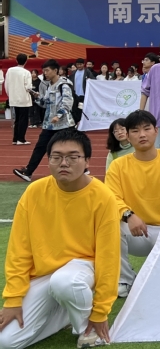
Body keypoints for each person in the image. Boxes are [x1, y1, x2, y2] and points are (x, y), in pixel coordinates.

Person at [0, 129, 120, 349]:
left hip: (82, 270)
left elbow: (109, 257)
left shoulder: (103, 197)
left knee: (65, 282)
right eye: (56, 157)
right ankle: (64, 316)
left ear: (87, 161)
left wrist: (100, 311)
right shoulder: (34, 192)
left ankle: (87, 329)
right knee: (6, 342)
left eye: (73, 157)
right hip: (44, 275)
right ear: (49, 160)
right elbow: (19, 250)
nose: (64, 163)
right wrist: (13, 299)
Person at [105, 110, 160, 298]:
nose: (142, 135)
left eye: (147, 129)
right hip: (136, 231)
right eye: (135, 131)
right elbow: (111, 197)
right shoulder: (118, 165)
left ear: (156, 131)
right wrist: (128, 215)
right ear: (127, 135)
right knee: (109, 225)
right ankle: (125, 279)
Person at [13, 60, 76, 183]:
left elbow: (68, 103)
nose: (45, 73)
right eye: (44, 71)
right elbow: (45, 103)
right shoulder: (49, 85)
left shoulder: (64, 85)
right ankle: (28, 172)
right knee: (40, 147)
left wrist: (58, 116)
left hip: (64, 124)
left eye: (47, 70)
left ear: (55, 70)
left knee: (69, 148)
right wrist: (36, 97)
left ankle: (82, 170)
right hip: (49, 124)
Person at [7, 54, 33, 146]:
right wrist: (34, 93)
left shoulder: (10, 70)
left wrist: (10, 95)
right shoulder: (26, 72)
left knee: (17, 119)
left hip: (13, 97)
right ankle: (21, 139)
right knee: (23, 119)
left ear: (16, 60)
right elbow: (28, 87)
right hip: (23, 98)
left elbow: (7, 84)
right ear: (26, 61)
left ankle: (15, 138)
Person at [67, 58, 95, 125]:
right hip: (75, 95)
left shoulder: (87, 72)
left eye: (80, 64)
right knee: (75, 109)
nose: (79, 66)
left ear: (83, 64)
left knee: (83, 109)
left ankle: (84, 123)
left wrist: (90, 79)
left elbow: (94, 80)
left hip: (84, 94)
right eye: (77, 64)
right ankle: (76, 123)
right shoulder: (74, 72)